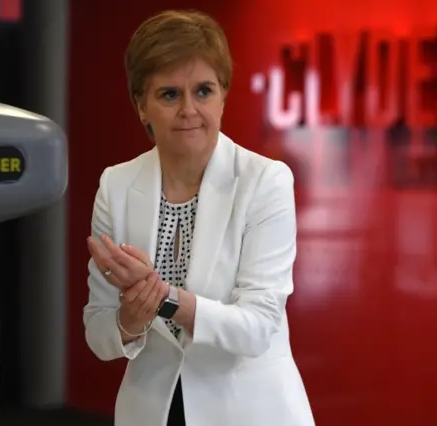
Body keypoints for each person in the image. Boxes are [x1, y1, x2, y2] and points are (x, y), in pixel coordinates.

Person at [83, 9, 315, 426]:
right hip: (151, 411)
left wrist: (164, 300)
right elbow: (99, 334)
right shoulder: (115, 186)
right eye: (169, 94)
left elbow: (257, 327)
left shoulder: (265, 182)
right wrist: (129, 321)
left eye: (203, 91)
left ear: (223, 95)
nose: (189, 109)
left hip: (250, 411)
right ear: (142, 106)